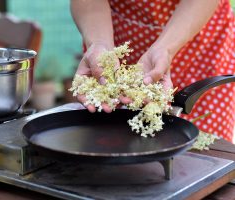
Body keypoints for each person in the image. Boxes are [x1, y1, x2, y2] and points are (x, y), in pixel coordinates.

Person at [70, 0, 235, 143]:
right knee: (115, 142)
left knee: (207, 153)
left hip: (201, 45)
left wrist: (166, 48)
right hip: (115, 35)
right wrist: (100, 43)